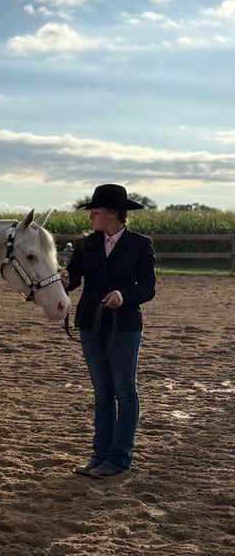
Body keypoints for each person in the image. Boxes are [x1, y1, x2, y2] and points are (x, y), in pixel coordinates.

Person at [61, 184, 156, 478]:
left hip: (124, 325)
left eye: (96, 211)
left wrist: (123, 295)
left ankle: (119, 458)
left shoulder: (140, 244)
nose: (91, 215)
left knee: (124, 391)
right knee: (102, 392)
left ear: (113, 213)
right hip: (90, 322)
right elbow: (75, 278)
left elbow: (147, 289)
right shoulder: (86, 244)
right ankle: (100, 455)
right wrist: (64, 279)